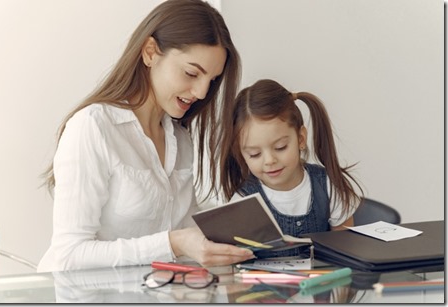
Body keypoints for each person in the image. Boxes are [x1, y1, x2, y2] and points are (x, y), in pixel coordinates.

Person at [37, 0, 254, 273]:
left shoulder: (179, 138)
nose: (200, 92)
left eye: (211, 81)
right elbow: (70, 255)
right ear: (150, 52)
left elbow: (187, 234)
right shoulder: (93, 127)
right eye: (191, 73)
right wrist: (173, 243)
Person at [220, 79, 364, 257]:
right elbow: (231, 265)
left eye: (280, 147)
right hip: (263, 284)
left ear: (301, 139)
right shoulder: (242, 203)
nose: (269, 160)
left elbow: (347, 253)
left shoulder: (328, 185)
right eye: (254, 154)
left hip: (323, 282)